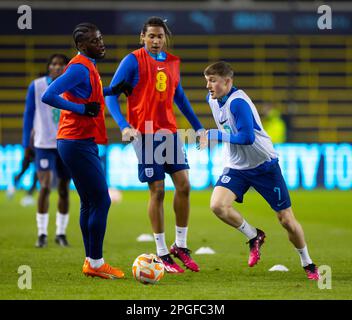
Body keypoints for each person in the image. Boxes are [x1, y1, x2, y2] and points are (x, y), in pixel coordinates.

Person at [199, 61, 319, 280]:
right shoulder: (212, 99)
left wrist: (215, 135)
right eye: (207, 81)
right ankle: (254, 236)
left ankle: (308, 263)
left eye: (213, 81)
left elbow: (247, 137)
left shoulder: (238, 103)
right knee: (217, 205)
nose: (208, 86)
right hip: (237, 166)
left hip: (264, 166)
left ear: (228, 81)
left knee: (286, 220)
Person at [105, 16, 204, 273]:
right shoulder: (132, 61)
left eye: (160, 36)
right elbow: (110, 96)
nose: (156, 40)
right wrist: (124, 125)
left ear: (165, 38)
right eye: (151, 36)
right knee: (157, 190)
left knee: (184, 185)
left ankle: (179, 245)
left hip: (169, 131)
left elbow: (179, 97)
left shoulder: (172, 62)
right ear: (142, 37)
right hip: (145, 133)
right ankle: (161, 252)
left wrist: (199, 127)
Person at [42, 22, 132, 279]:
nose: (101, 43)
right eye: (95, 41)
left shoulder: (88, 66)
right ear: (81, 45)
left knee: (89, 202)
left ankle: (91, 262)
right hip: (76, 141)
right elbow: (48, 95)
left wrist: (112, 90)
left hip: (77, 141)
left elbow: (87, 96)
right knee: (101, 200)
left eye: (101, 38)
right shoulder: (80, 67)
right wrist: (81, 110)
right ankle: (95, 262)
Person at [22, 53, 72, 247]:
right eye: (54, 64)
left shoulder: (72, 86)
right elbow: (28, 115)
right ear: (49, 67)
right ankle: (42, 233)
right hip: (43, 144)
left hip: (65, 143)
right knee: (44, 186)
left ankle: (61, 233)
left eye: (61, 64)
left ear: (66, 68)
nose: (57, 67)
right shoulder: (37, 86)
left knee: (63, 189)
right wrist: (26, 143)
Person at [7, 131, 38, 207]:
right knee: (26, 172)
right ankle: (14, 187)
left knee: (34, 174)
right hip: (34, 149)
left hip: (36, 150)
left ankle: (27, 195)